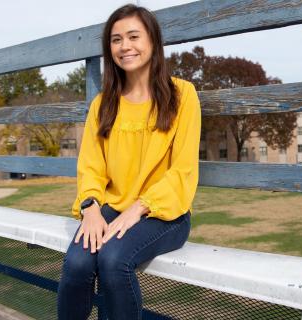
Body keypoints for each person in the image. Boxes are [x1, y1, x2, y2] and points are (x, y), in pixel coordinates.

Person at [57, 4, 200, 320]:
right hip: (112, 208)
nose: (125, 46)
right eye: (116, 39)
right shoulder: (103, 103)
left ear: (152, 41)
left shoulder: (183, 96)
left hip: (164, 213)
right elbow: (91, 165)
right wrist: (91, 207)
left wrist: (138, 209)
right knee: (77, 263)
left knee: (112, 260)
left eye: (133, 36)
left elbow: (183, 170)